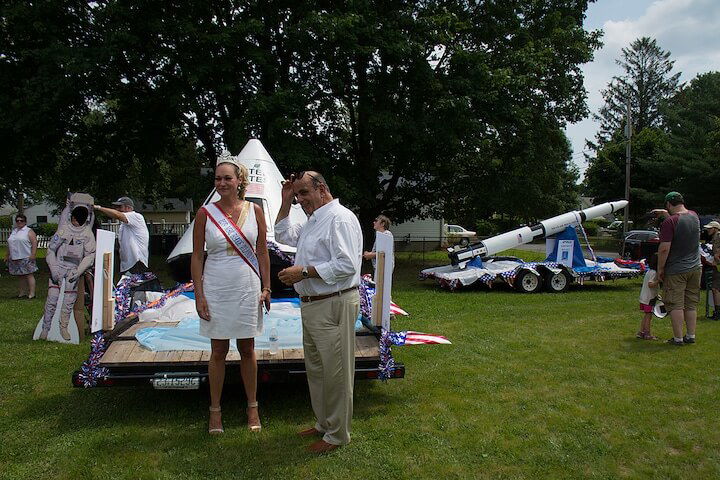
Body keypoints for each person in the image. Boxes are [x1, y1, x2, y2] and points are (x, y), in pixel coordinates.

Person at [275, 171, 363, 454]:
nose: (301, 200)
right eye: (297, 195)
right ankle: (324, 424)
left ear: (322, 189)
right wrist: (286, 201)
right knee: (317, 370)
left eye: (303, 193)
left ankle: (338, 435)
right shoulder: (314, 220)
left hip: (333, 302)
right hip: (313, 304)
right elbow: (282, 234)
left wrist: (302, 272)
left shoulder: (340, 218)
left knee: (336, 372)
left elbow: (347, 265)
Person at [190, 158, 271, 435]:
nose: (222, 183)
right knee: (218, 351)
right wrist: (198, 294)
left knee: (247, 349)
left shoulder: (255, 210)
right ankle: (215, 410)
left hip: (246, 284)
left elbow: (262, 252)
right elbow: (198, 255)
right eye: (217, 179)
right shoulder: (205, 213)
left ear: (240, 181)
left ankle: (252, 406)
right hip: (216, 285)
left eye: (227, 178)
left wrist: (267, 287)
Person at [41, 204, 96, 341]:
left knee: (68, 302)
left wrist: (78, 271)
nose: (75, 223)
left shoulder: (87, 234)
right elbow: (51, 250)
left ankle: (63, 327)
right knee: (52, 300)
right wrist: (53, 269)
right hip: (58, 268)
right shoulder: (63, 230)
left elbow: (90, 255)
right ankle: (45, 329)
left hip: (73, 271)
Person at [656, 192, 702, 346]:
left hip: (676, 269)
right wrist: (667, 216)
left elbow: (664, 249)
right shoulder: (694, 216)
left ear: (668, 204)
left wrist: (660, 269)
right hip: (695, 267)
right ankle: (690, 335)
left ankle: (678, 338)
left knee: (675, 304)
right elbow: (682, 223)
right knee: (690, 304)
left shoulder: (670, 222)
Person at [94, 197, 149, 274]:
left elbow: (117, 215)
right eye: (117, 207)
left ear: (128, 207)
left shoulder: (136, 216)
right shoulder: (124, 224)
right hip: (127, 264)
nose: (117, 209)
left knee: (134, 285)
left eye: (120, 206)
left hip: (136, 261)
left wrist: (98, 208)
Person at [5, 214, 38, 299]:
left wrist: (33, 254)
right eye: (17, 220)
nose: (19, 222)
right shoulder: (14, 231)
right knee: (20, 276)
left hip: (26, 256)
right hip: (15, 257)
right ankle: (22, 293)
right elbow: (10, 243)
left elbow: (34, 242)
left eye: (21, 220)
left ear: (25, 222)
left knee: (29, 275)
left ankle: (32, 294)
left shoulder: (28, 231)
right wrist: (7, 254)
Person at [637, 253, 659, 340]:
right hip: (649, 299)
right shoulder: (654, 273)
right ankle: (647, 333)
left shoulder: (649, 271)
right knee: (649, 316)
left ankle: (641, 332)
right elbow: (650, 284)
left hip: (644, 297)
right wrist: (659, 281)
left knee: (646, 315)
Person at [702, 220, 720, 319]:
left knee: (715, 289)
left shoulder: (718, 236)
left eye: (710, 228)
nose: (708, 230)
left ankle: (717, 313)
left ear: (715, 228)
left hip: (718, 267)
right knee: (715, 289)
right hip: (717, 267)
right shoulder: (714, 238)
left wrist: (717, 256)